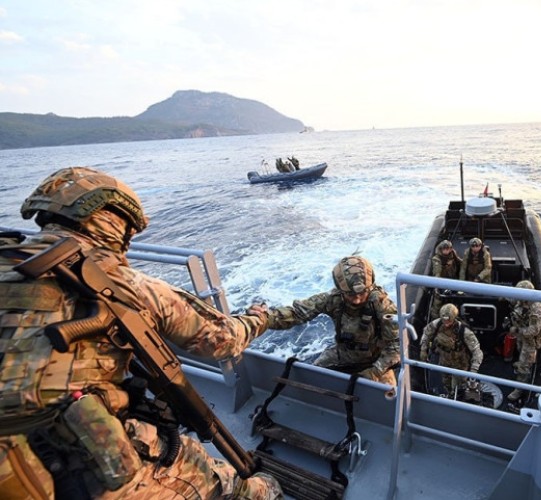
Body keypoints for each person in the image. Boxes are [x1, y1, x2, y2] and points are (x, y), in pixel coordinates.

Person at [0, 167, 282, 499]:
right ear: (116, 222)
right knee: (221, 478)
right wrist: (257, 317)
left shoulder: (9, 262)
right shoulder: (120, 284)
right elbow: (222, 341)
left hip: (16, 459)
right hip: (78, 459)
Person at [266, 256, 400, 385]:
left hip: (377, 360)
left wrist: (373, 372)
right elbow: (297, 313)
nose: (357, 299)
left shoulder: (383, 305)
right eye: (350, 294)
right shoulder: (333, 299)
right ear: (340, 290)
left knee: (386, 394)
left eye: (362, 292)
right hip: (345, 354)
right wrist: (265, 319)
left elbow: (396, 347)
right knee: (313, 375)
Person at [419, 304, 483, 398]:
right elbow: (426, 335)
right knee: (446, 383)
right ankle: (449, 394)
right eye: (444, 320)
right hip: (444, 361)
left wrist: (474, 369)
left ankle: (458, 397)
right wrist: (423, 350)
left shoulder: (464, 331)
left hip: (460, 364)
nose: (446, 323)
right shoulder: (436, 325)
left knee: (460, 387)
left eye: (449, 321)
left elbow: (477, 351)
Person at [506, 280, 541, 405]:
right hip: (521, 336)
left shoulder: (536, 309)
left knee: (524, 365)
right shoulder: (522, 301)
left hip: (530, 341)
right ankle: (520, 365)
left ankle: (519, 389)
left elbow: (534, 330)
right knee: (519, 352)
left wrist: (518, 330)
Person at [429, 240, 461, 319]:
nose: (447, 251)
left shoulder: (452, 254)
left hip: (453, 279)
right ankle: (435, 317)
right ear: (441, 249)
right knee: (438, 299)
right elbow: (437, 272)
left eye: (448, 249)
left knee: (457, 297)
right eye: (445, 249)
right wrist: (437, 285)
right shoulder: (437, 259)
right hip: (442, 281)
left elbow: (458, 261)